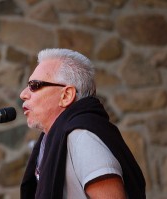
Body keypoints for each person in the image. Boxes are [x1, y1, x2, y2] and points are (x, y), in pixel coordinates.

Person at [20, 48, 146, 199]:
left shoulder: (83, 137)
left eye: (34, 85)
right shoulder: (52, 139)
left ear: (66, 95)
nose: (23, 94)